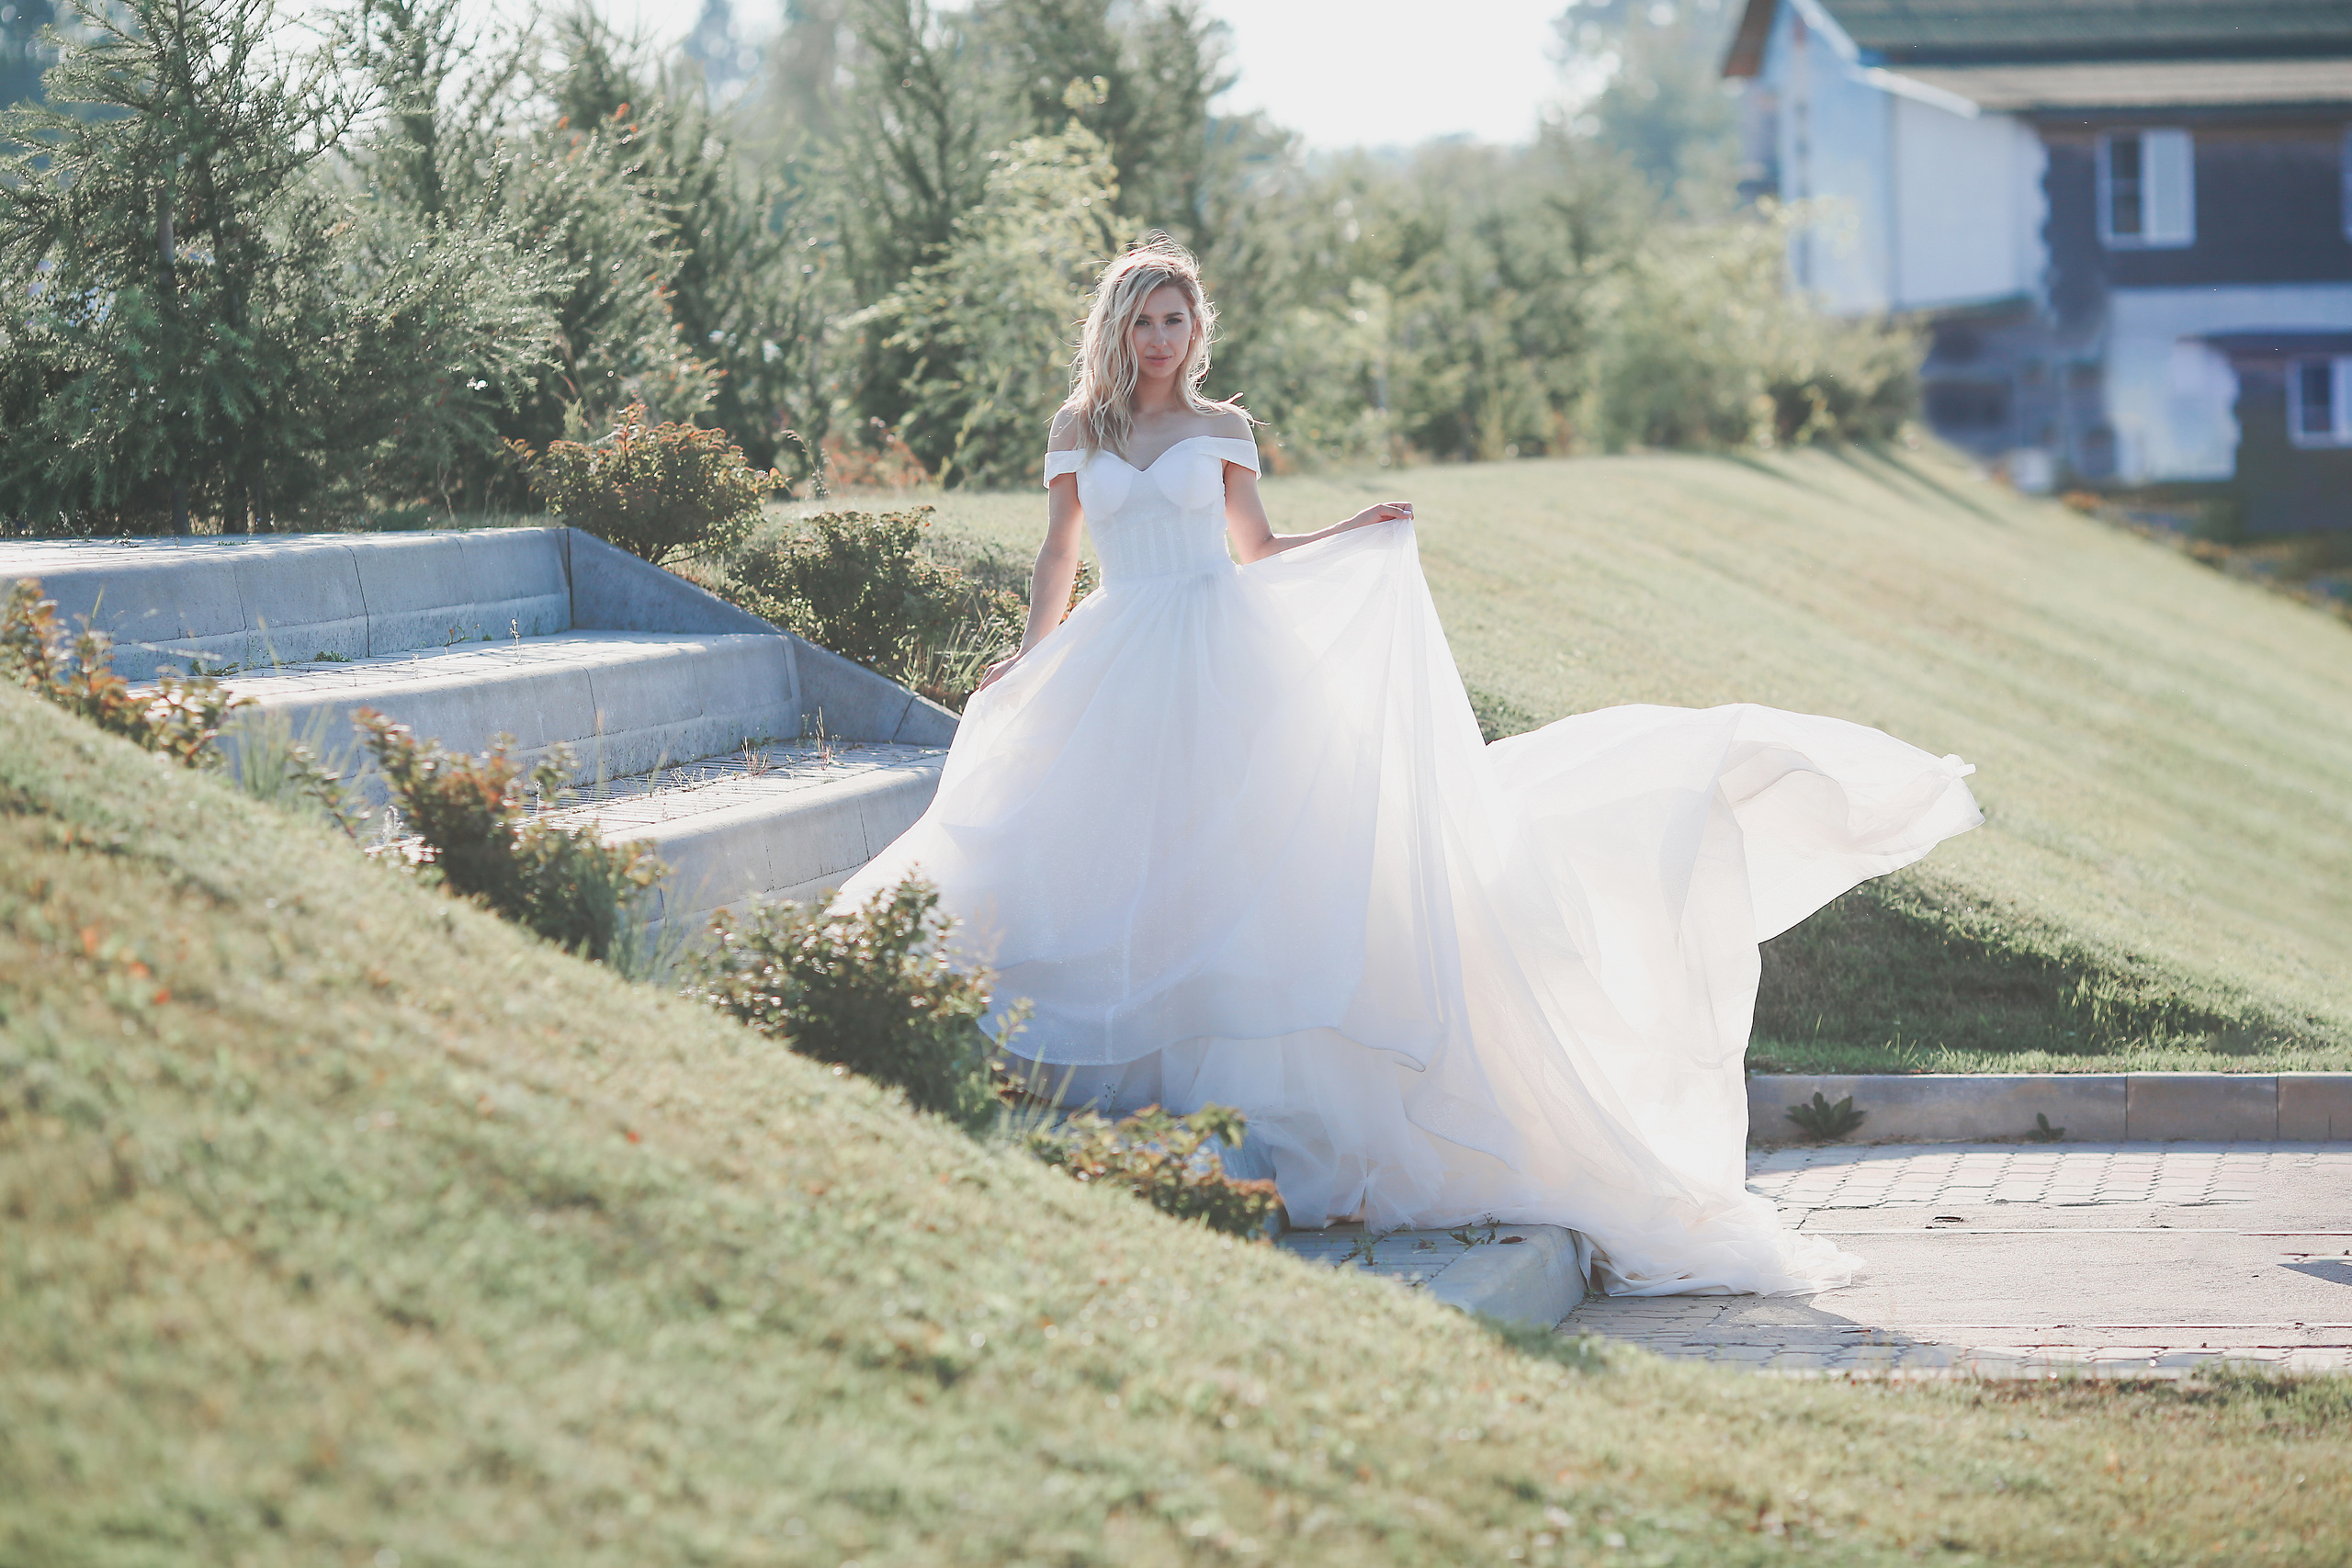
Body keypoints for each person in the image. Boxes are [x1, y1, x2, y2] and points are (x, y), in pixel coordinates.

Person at [836, 235, 1981, 1296]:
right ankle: (1125, 1095)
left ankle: (1255, 1127)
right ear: (1115, 328)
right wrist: (1026, 659)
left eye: (1176, 319)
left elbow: (1258, 552)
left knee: (1249, 871)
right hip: (1117, 652)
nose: (1160, 339)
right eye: (1143, 320)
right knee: (1110, 860)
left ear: (1197, 329)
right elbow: (1059, 554)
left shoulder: (1221, 428)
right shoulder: (1077, 431)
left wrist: (1359, 533)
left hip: (1227, 658)